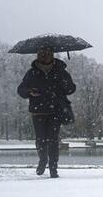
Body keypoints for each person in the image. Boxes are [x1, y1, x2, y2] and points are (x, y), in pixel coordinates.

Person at [17, 47, 75, 178]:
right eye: (41, 54)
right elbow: (21, 90)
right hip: (38, 112)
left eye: (47, 54)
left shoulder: (60, 71)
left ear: (52, 55)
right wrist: (29, 91)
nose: (43, 56)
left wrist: (65, 82)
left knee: (53, 140)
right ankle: (43, 160)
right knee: (41, 139)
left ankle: (53, 168)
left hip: (55, 111)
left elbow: (71, 89)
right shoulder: (32, 73)